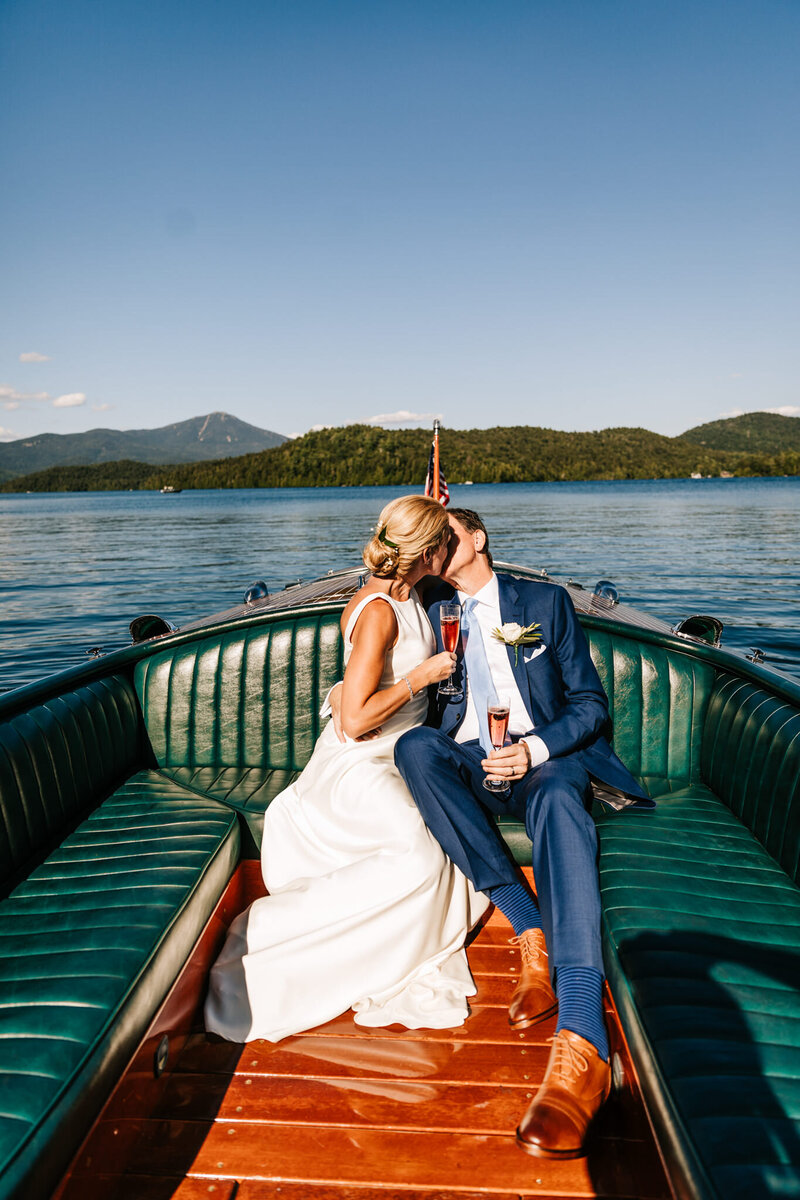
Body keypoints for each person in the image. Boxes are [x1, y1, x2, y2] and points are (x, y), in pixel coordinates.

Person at [393, 508, 652, 1160]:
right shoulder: (435, 610)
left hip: (542, 761)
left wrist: (534, 751)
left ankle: (584, 1038)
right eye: (431, 540)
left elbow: (590, 705)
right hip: (472, 761)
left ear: (478, 539)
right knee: (416, 750)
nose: (437, 546)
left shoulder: (541, 602)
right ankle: (528, 928)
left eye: (447, 533)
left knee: (563, 801)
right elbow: (376, 584)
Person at [204, 495, 489, 1043]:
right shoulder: (379, 610)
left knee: (444, 837)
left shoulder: (411, 593)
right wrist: (423, 677)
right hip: (362, 764)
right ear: (427, 550)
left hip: (402, 752)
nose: (450, 549)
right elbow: (355, 719)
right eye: (443, 542)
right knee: (420, 854)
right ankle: (279, 939)